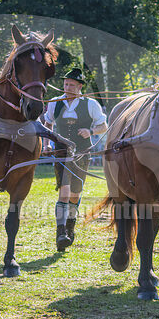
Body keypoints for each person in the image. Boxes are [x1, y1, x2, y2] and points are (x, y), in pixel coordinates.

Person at [43, 68, 108, 251]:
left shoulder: (90, 104)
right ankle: (60, 232)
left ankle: (70, 229)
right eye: (65, 84)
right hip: (62, 153)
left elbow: (103, 126)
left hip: (82, 153)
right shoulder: (55, 102)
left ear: (80, 86)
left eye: (71, 84)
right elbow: (48, 123)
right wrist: (47, 144)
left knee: (74, 194)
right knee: (64, 191)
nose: (67, 87)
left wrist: (91, 131)